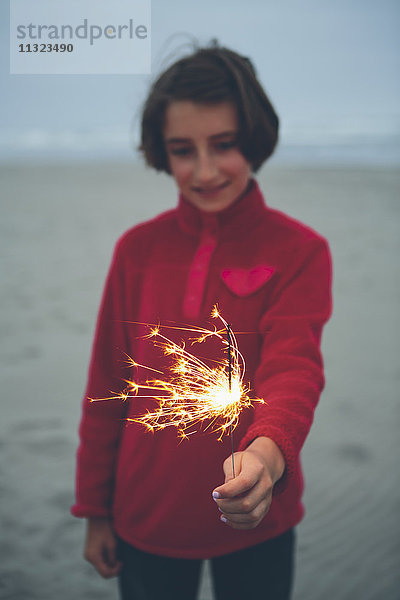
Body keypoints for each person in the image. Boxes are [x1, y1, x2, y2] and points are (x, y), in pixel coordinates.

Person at [71, 42, 332, 600]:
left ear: (255, 139)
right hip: (144, 515)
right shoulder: (136, 250)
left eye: (224, 144)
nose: (206, 170)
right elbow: (107, 388)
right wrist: (95, 509)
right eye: (183, 150)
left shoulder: (300, 251)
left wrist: (265, 458)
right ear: (161, 153)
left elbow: (294, 367)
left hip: (258, 512)